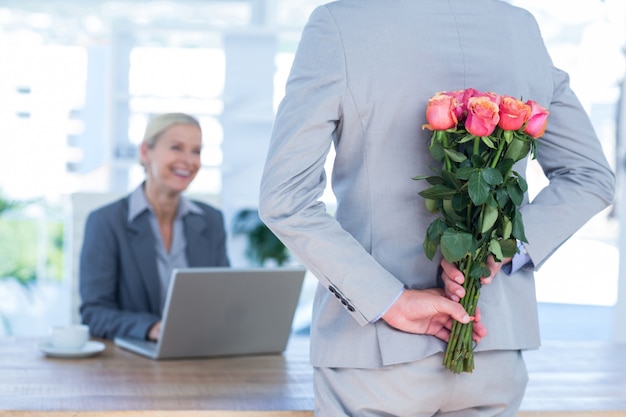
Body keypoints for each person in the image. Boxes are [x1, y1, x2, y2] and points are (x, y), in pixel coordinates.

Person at [258, 1, 615, 416]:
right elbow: (591, 176)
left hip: (376, 355)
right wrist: (498, 248)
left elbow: (284, 197)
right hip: (491, 344)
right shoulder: (520, 27)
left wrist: (389, 300)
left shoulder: (339, 24)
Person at [80, 113, 230, 341]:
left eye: (196, 151)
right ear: (145, 152)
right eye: (176, 147)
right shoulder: (106, 222)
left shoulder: (211, 220)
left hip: (198, 353)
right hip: (131, 364)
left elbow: (222, 299)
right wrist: (151, 328)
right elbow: (94, 314)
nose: (189, 160)